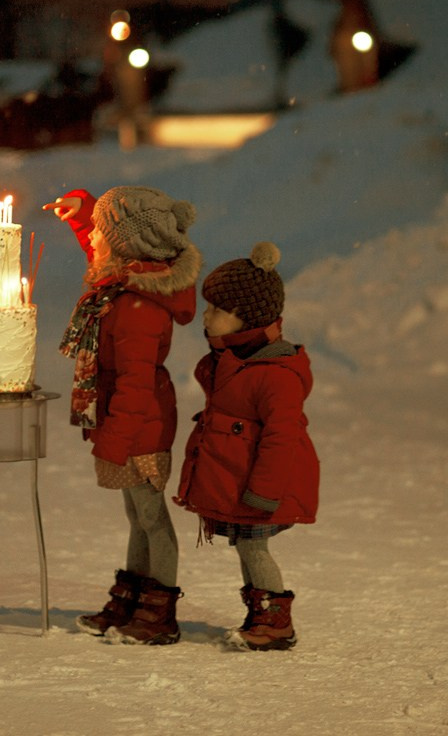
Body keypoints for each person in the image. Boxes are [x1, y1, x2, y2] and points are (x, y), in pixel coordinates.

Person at [43, 186, 201, 644]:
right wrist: (83, 214)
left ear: (125, 246)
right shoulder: (124, 282)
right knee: (137, 516)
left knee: (152, 518)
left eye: (97, 232)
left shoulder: (134, 307)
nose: (91, 238)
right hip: (130, 423)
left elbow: (134, 387)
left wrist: (114, 442)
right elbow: (108, 247)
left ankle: (160, 609)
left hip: (141, 427)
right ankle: (134, 597)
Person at [173, 242, 318, 651]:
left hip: (263, 486)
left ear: (248, 320)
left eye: (218, 310)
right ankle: (260, 614)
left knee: (254, 546)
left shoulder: (274, 375)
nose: (206, 316)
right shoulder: (235, 361)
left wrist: (264, 493)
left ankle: (275, 622)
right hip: (240, 481)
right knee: (246, 546)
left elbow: (280, 439)